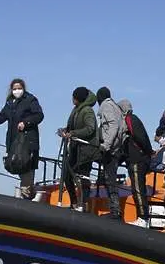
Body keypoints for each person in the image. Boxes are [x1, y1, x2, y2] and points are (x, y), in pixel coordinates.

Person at [0, 78, 44, 199]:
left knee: (26, 170)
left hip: (27, 143)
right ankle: (27, 194)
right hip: (13, 142)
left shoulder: (30, 100)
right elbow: (2, 116)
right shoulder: (10, 103)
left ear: (23, 88)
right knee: (15, 165)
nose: (17, 91)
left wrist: (26, 122)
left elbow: (39, 115)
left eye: (19, 88)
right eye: (14, 89)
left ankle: (28, 195)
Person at [59, 87, 98, 212]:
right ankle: (74, 202)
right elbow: (72, 126)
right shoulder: (76, 110)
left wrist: (74, 133)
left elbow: (90, 128)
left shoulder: (87, 111)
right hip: (75, 149)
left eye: (73, 97)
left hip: (86, 150)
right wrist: (65, 130)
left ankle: (83, 204)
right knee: (67, 175)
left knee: (83, 177)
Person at [119, 99, 153, 227]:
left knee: (138, 189)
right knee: (137, 188)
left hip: (137, 159)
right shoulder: (133, 119)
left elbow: (138, 137)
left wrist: (147, 151)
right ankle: (143, 217)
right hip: (137, 158)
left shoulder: (129, 119)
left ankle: (143, 217)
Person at [96, 87, 126, 220]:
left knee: (110, 179)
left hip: (111, 149)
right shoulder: (116, 107)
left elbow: (113, 126)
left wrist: (106, 145)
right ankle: (114, 209)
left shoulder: (107, 106)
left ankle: (115, 211)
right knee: (109, 178)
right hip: (117, 148)